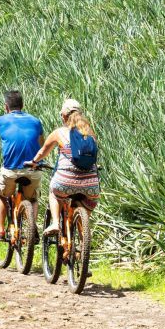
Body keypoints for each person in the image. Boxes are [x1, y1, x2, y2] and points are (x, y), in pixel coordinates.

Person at [0, 89, 44, 241]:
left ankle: (0, 230)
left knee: (1, 193)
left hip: (11, 171)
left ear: (6, 106)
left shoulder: (0, 121)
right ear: (22, 105)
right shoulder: (35, 121)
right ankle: (32, 229)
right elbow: (42, 146)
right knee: (32, 199)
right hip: (33, 170)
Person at [30, 97, 100, 236]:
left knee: (54, 193)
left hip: (65, 182)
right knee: (85, 207)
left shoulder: (59, 133)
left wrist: (34, 162)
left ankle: (55, 223)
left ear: (64, 116)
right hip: (91, 186)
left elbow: (43, 152)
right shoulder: (90, 133)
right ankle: (83, 236)